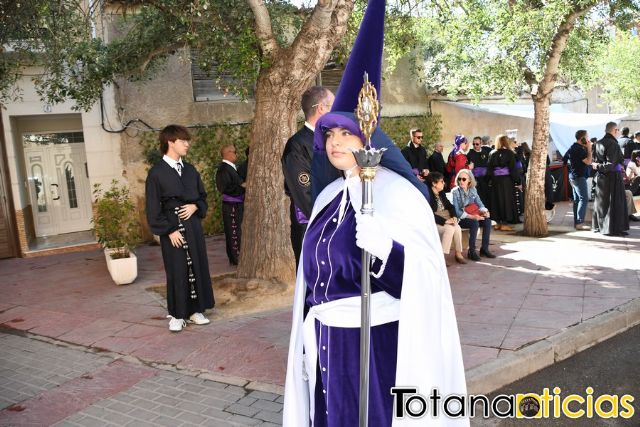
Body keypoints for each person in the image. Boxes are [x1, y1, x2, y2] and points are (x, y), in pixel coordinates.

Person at [283, 1, 467, 425]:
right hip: (326, 343)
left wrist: (387, 250)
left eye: (346, 132)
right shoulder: (329, 198)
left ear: (369, 138)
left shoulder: (398, 195)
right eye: (330, 133)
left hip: (375, 347)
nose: (335, 141)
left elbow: (424, 280)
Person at [145, 125, 214, 332]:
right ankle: (177, 314)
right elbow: (152, 207)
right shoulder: (156, 173)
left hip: (192, 226)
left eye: (187, 140)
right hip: (172, 229)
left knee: (197, 266)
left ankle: (196, 311)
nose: (187, 144)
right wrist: (168, 231)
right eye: (183, 141)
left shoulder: (191, 170)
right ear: (170, 142)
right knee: (177, 269)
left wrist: (195, 206)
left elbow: (203, 198)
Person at [281, 86, 337, 268]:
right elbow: (304, 192)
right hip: (313, 223)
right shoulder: (296, 145)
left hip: (337, 218)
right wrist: (329, 219)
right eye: (333, 106)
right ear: (321, 108)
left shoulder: (332, 139)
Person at [592, 122, 630, 236]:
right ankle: (613, 228)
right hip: (612, 177)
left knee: (602, 202)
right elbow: (610, 164)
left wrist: (597, 166)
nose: (618, 132)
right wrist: (599, 166)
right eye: (617, 130)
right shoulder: (613, 143)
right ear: (614, 130)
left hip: (601, 176)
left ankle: (600, 227)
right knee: (613, 202)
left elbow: (595, 160)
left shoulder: (598, 142)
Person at [451, 169, 495, 261]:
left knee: (487, 221)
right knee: (474, 223)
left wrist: (485, 212)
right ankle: (472, 251)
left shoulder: (473, 189)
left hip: (473, 215)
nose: (461, 181)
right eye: (459, 179)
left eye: (464, 179)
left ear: (469, 180)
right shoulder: (455, 192)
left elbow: (479, 204)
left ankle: (484, 249)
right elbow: (457, 212)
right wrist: (473, 217)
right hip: (460, 218)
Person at [427, 171, 466, 265]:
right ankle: (441, 257)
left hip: (446, 218)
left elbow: (450, 206)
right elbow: (429, 213)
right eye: (441, 181)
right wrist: (445, 221)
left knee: (457, 227)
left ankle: (458, 253)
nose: (444, 183)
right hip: (435, 221)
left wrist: (454, 217)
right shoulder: (428, 195)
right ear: (434, 183)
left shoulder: (441, 193)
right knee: (449, 229)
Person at [215, 144, 245, 266]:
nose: (236, 154)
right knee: (234, 231)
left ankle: (237, 256)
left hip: (237, 204)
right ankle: (236, 258)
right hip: (231, 205)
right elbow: (224, 188)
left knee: (238, 231)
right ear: (227, 153)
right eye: (234, 151)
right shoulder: (223, 169)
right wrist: (242, 186)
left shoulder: (231, 168)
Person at [487, 134, 519, 231]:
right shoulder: (510, 153)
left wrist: (491, 179)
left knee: (496, 200)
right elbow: (513, 169)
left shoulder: (492, 153)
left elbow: (489, 169)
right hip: (506, 181)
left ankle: (498, 223)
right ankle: (504, 223)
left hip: (496, 181)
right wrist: (517, 180)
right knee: (506, 201)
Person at [563, 130, 592, 230]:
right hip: (579, 176)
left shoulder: (572, 147)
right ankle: (580, 222)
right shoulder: (579, 149)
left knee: (577, 200)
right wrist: (589, 149)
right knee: (583, 199)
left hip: (573, 176)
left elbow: (564, 159)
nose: (588, 139)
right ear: (582, 138)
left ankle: (577, 222)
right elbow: (588, 162)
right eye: (587, 137)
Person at [466, 136, 491, 205]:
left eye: (477, 144)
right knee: (479, 198)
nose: (475, 146)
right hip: (477, 180)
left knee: (487, 197)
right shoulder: (469, 154)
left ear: (481, 143)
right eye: (473, 144)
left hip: (486, 179)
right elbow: (468, 168)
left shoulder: (486, 152)